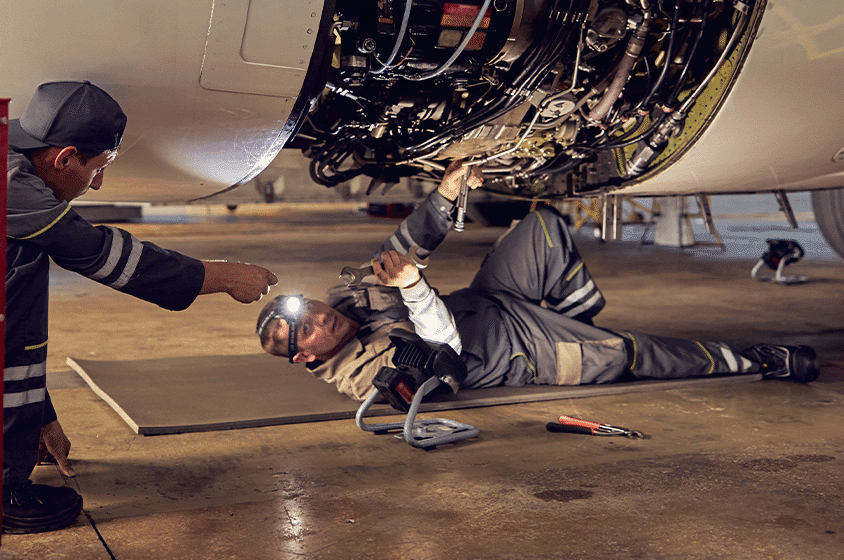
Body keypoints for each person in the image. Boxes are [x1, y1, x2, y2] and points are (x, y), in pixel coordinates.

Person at [0, 80, 277, 533]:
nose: (98, 183)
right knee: (16, 256)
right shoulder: (6, 183)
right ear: (64, 157)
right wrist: (225, 276)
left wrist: (37, 415)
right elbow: (97, 253)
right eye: (99, 167)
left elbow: (0, 322)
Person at [255, 161, 818, 402]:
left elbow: (401, 249)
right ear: (305, 358)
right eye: (301, 334)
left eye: (302, 312)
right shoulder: (364, 377)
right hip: (522, 352)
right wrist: (414, 289)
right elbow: (445, 360)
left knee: (543, 226)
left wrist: (447, 193)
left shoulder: (345, 300)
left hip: (494, 301)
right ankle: (758, 361)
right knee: (634, 353)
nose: (315, 321)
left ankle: (578, 322)